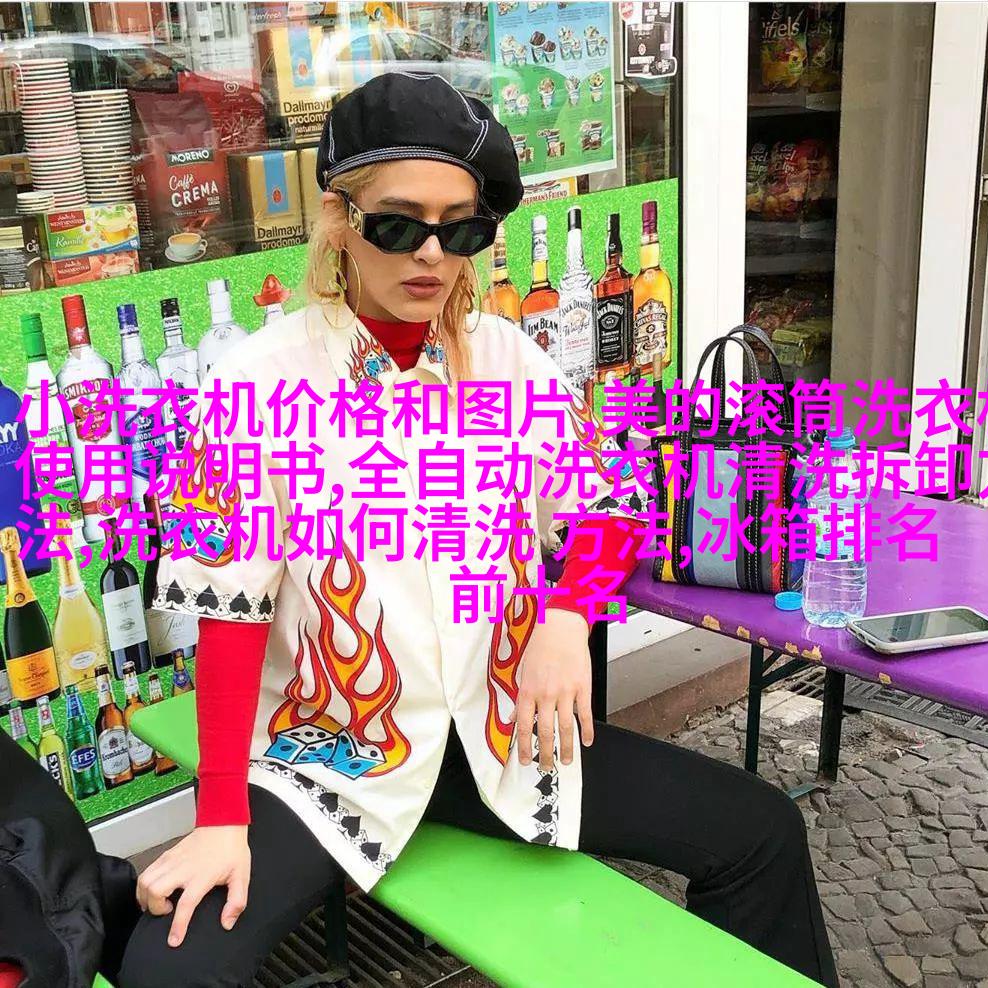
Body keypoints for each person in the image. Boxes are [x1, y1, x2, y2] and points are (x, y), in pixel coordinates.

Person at [118, 74, 839, 988]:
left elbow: (610, 507)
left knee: (762, 831)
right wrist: (221, 815)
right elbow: (230, 612)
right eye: (398, 225)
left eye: (460, 230)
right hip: (329, 754)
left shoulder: (509, 362)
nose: (431, 254)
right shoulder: (257, 384)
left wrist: (567, 616)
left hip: (506, 737)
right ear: (339, 221)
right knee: (167, 971)